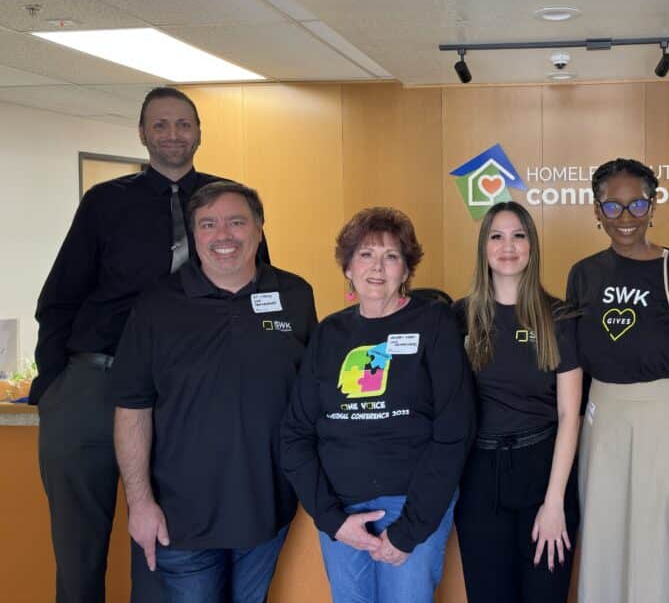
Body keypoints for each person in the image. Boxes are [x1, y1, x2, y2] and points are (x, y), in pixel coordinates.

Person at [31, 86, 268, 603]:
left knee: (167, 540)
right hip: (94, 385)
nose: (172, 134)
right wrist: (54, 388)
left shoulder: (228, 205)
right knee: (79, 548)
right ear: (142, 133)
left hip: (179, 396)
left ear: (200, 131)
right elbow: (59, 299)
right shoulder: (104, 203)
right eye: (159, 124)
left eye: (183, 123)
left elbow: (254, 289)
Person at [111, 181, 315, 602]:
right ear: (193, 235)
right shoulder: (156, 306)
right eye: (208, 224)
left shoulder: (295, 296)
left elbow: (312, 399)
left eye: (237, 222)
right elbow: (132, 409)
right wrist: (140, 504)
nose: (223, 236)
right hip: (182, 518)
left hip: (267, 512)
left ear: (259, 229)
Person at [280, 207, 474, 603]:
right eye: (365, 254)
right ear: (348, 266)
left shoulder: (434, 323)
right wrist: (333, 521)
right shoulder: (329, 334)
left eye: (391, 256)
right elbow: (295, 434)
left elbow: (454, 431)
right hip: (342, 507)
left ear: (406, 270)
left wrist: (409, 530)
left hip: (411, 506)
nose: (377, 267)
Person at [566, 158, 669, 603]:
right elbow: (574, 372)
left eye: (637, 203)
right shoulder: (583, 274)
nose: (626, 218)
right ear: (596, 210)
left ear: (653, 206)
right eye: (613, 206)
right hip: (602, 440)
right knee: (609, 557)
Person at [454, 201, 582, 603]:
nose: (508, 246)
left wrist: (555, 502)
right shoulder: (459, 317)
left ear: (532, 245)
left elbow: (569, 415)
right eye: (497, 236)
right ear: (483, 247)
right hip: (479, 479)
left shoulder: (557, 316)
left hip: (543, 473)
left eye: (518, 235)